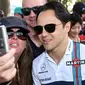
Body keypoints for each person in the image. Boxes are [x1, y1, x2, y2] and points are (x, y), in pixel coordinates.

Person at [32, 1, 85, 85]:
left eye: (50, 27)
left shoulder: (83, 53)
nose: (44, 34)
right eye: (39, 29)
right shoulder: (37, 65)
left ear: (67, 27)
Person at [0, 16, 33, 85]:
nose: (15, 37)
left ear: (26, 44)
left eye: (20, 34)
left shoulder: (33, 67)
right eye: (8, 33)